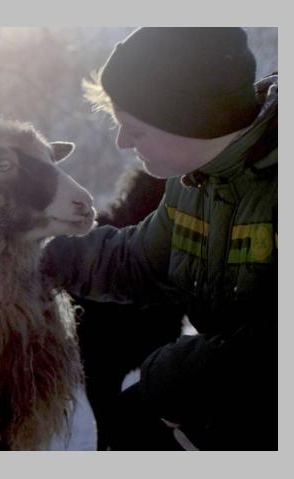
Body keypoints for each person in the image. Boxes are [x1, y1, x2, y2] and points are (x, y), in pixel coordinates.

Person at [42, 27, 277, 450]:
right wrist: (46, 256)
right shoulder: (193, 185)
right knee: (129, 431)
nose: (121, 141)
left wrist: (181, 371)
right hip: (217, 391)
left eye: (136, 129)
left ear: (189, 118)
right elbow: (139, 259)